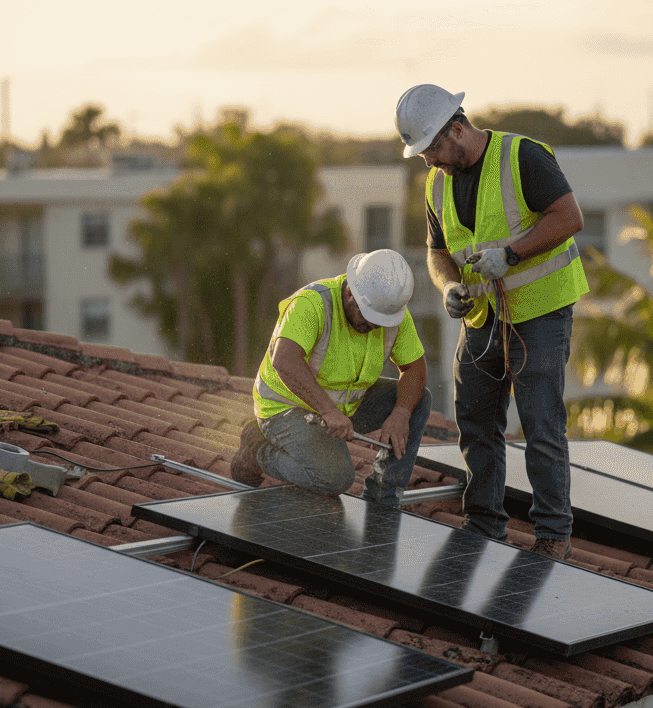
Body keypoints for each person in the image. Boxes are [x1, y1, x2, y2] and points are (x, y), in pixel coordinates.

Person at [395, 83, 589, 560]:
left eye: (432, 149)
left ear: (457, 129)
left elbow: (569, 216)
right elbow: (438, 251)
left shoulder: (521, 156)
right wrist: (447, 288)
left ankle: (552, 538)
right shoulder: (437, 182)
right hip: (481, 319)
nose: (427, 161)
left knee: (541, 424)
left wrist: (512, 254)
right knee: (476, 423)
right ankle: (484, 524)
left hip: (538, 314)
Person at [231, 249, 432, 508]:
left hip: (346, 406)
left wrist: (402, 413)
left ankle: (384, 495)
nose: (374, 326)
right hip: (288, 409)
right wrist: (328, 410)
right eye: (369, 317)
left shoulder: (390, 314)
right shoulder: (312, 303)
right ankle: (258, 452)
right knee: (334, 479)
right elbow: (285, 359)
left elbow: (415, 369)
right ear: (351, 293)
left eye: (381, 321)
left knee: (418, 400)